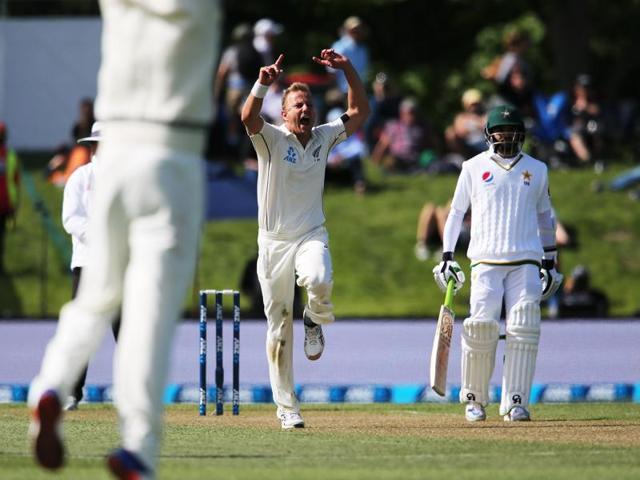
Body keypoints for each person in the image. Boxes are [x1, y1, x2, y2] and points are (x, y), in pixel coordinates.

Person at [28, 2, 222, 479]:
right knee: (149, 313)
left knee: (95, 298)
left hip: (115, 150)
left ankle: (50, 385)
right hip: (173, 151)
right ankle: (138, 444)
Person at [241, 48, 369, 429]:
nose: (304, 110)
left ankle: (314, 317)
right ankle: (287, 407)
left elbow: (360, 112)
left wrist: (347, 68)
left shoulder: (325, 137)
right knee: (278, 327)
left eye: (308, 104)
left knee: (317, 278)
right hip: (273, 243)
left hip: (311, 233)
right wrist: (262, 84)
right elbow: (247, 117)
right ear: (283, 113)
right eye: (297, 105)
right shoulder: (271, 141)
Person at [432, 105, 563, 423]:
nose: (506, 136)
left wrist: (551, 260)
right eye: (501, 131)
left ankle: (516, 402)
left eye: (512, 131)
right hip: (485, 260)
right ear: (489, 134)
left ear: (522, 135)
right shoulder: (473, 167)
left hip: (526, 260)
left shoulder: (538, 169)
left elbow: (546, 218)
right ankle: (475, 400)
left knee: (523, 327)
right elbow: (455, 213)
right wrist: (448, 255)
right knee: (480, 328)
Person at [60, 122, 121, 411]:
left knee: (127, 331)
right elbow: (70, 219)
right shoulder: (80, 177)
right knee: (82, 329)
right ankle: (72, 392)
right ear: (94, 146)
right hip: (87, 263)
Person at [371, 97, 437, 172]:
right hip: (399, 158)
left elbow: (432, 143)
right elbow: (383, 145)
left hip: (416, 159)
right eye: (410, 112)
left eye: (414, 112)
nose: (412, 115)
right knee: (391, 161)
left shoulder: (422, 127)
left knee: (430, 159)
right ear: (402, 113)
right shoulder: (394, 126)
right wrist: (375, 162)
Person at [329, 16, 370, 94]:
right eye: (353, 29)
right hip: (343, 92)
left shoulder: (363, 49)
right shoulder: (339, 46)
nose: (356, 31)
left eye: (358, 29)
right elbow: (332, 71)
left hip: (360, 91)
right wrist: (335, 90)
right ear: (347, 30)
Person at [0, 121, 20, 275]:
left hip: (6, 203)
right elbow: (16, 181)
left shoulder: (10, 155)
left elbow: (15, 180)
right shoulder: (10, 155)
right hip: (6, 202)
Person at [445, 89, 487, 158]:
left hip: (485, 143)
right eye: (472, 105)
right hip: (468, 146)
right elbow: (460, 132)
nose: (474, 107)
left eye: (476, 104)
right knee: (450, 132)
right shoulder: (461, 117)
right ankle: (460, 156)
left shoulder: (486, 115)